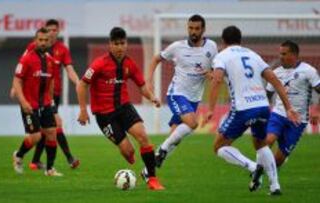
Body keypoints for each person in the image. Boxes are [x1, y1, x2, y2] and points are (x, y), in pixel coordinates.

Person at [202, 26, 300, 195]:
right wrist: (289, 107)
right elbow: (275, 80)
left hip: (242, 109)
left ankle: (253, 167)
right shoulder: (253, 54)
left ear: (223, 42)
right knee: (260, 144)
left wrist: (210, 108)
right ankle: (275, 185)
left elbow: (217, 80)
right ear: (240, 40)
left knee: (219, 146)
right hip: (262, 107)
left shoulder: (222, 56)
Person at [76, 27, 165, 190]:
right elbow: (82, 85)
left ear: (126, 44)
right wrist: (83, 110)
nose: (119, 47)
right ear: (110, 45)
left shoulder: (129, 63)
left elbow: (142, 86)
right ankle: (128, 152)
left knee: (143, 137)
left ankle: (152, 178)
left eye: (122, 43)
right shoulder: (99, 64)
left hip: (124, 108)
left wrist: (152, 97)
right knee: (128, 151)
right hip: (104, 115)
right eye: (116, 44)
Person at [146, 14, 218, 168]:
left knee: (175, 137)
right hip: (176, 94)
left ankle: (148, 170)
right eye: (191, 28)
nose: (193, 32)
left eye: (197, 29)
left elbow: (215, 71)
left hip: (194, 98)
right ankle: (162, 150)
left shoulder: (211, 47)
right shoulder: (177, 47)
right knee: (192, 123)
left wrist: (211, 74)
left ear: (203, 30)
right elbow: (155, 59)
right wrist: (149, 81)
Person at [12, 19, 80, 170]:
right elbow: (19, 72)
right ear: (37, 39)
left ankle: (42, 164)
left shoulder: (61, 51)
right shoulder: (31, 51)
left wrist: (78, 82)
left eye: (54, 30)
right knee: (49, 129)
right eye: (48, 30)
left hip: (51, 96)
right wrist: (16, 90)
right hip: (32, 98)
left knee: (50, 130)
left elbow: (67, 70)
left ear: (57, 32)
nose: (51, 33)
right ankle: (67, 158)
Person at [12, 27, 62, 176]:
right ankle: (19, 155)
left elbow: (51, 83)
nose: (43, 43)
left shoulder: (51, 61)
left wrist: (51, 103)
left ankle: (50, 169)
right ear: (35, 41)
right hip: (29, 105)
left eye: (46, 40)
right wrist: (23, 102)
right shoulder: (26, 59)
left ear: (49, 42)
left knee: (52, 133)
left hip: (45, 104)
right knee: (36, 136)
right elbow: (17, 81)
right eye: (40, 40)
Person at [266, 40, 320, 167]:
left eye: (284, 54)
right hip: (278, 114)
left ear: (294, 55)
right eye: (280, 54)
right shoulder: (276, 72)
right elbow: (267, 95)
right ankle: (258, 171)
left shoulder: (308, 71)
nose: (281, 57)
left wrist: (317, 110)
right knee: (267, 141)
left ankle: (269, 171)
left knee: (279, 159)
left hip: (298, 119)